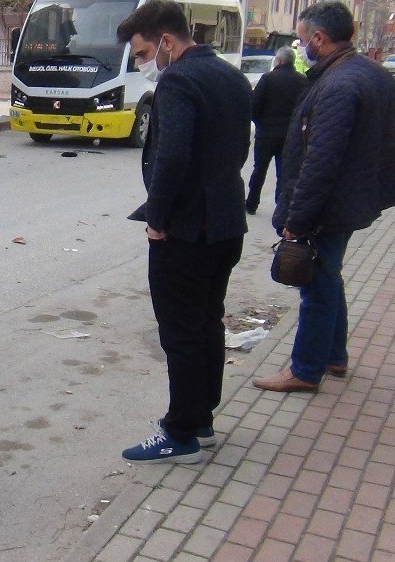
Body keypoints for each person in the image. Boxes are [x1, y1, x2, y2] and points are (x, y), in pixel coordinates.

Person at [116, 0, 252, 464]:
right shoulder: (231, 76)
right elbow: (238, 148)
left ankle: (180, 433)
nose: (141, 64)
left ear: (167, 42)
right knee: (207, 322)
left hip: (186, 232)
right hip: (226, 225)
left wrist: (157, 218)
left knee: (179, 332)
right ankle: (202, 420)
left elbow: (171, 157)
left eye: (142, 53)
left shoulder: (177, 80)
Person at [253, 2, 395, 393]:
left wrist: (296, 222)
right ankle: (334, 355)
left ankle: (305, 369)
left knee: (315, 285)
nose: (300, 46)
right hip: (354, 198)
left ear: (319, 38)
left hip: (330, 204)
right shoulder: (370, 73)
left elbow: (320, 162)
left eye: (301, 39)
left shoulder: (338, 85)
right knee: (330, 276)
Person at [246, 47, 309, 215]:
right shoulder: (302, 81)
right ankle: (281, 206)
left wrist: (259, 122)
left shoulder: (268, 79)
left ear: (279, 61)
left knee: (259, 169)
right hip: (289, 135)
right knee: (284, 171)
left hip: (266, 133)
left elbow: (255, 104)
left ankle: (251, 203)